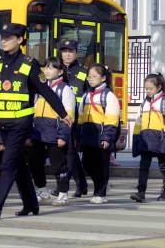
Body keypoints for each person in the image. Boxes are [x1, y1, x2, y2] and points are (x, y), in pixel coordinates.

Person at [0, 23, 72, 220]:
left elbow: (46, 90)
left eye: (9, 38)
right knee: (18, 164)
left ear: (20, 40)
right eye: (2, 37)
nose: (4, 41)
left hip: (21, 124)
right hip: (3, 124)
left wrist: (63, 113)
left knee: (7, 165)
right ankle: (31, 204)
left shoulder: (30, 64)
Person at [31, 57, 76, 206]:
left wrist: (63, 135)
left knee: (58, 166)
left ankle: (63, 193)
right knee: (35, 163)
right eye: (46, 67)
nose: (47, 71)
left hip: (55, 133)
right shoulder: (39, 88)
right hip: (38, 132)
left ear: (60, 72)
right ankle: (42, 191)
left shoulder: (65, 90)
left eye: (51, 68)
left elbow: (68, 115)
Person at [77, 63, 120, 204]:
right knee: (87, 163)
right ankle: (99, 187)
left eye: (94, 76)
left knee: (102, 165)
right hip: (88, 136)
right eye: (89, 76)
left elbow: (112, 119)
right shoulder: (86, 95)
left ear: (103, 78)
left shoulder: (109, 96)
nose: (90, 79)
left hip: (102, 136)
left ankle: (100, 193)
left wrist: (107, 137)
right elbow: (81, 117)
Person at [130, 73, 165, 203]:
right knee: (143, 166)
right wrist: (137, 137)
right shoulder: (144, 102)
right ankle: (141, 192)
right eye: (146, 89)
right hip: (146, 140)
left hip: (160, 140)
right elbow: (139, 121)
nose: (148, 91)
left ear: (159, 87)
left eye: (151, 89)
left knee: (164, 166)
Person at [59, 39, 89, 197]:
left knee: (69, 153)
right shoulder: (56, 70)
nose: (67, 54)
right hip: (58, 119)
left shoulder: (84, 72)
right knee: (69, 154)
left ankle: (62, 185)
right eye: (64, 51)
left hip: (76, 120)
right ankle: (82, 185)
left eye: (71, 51)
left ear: (77, 53)